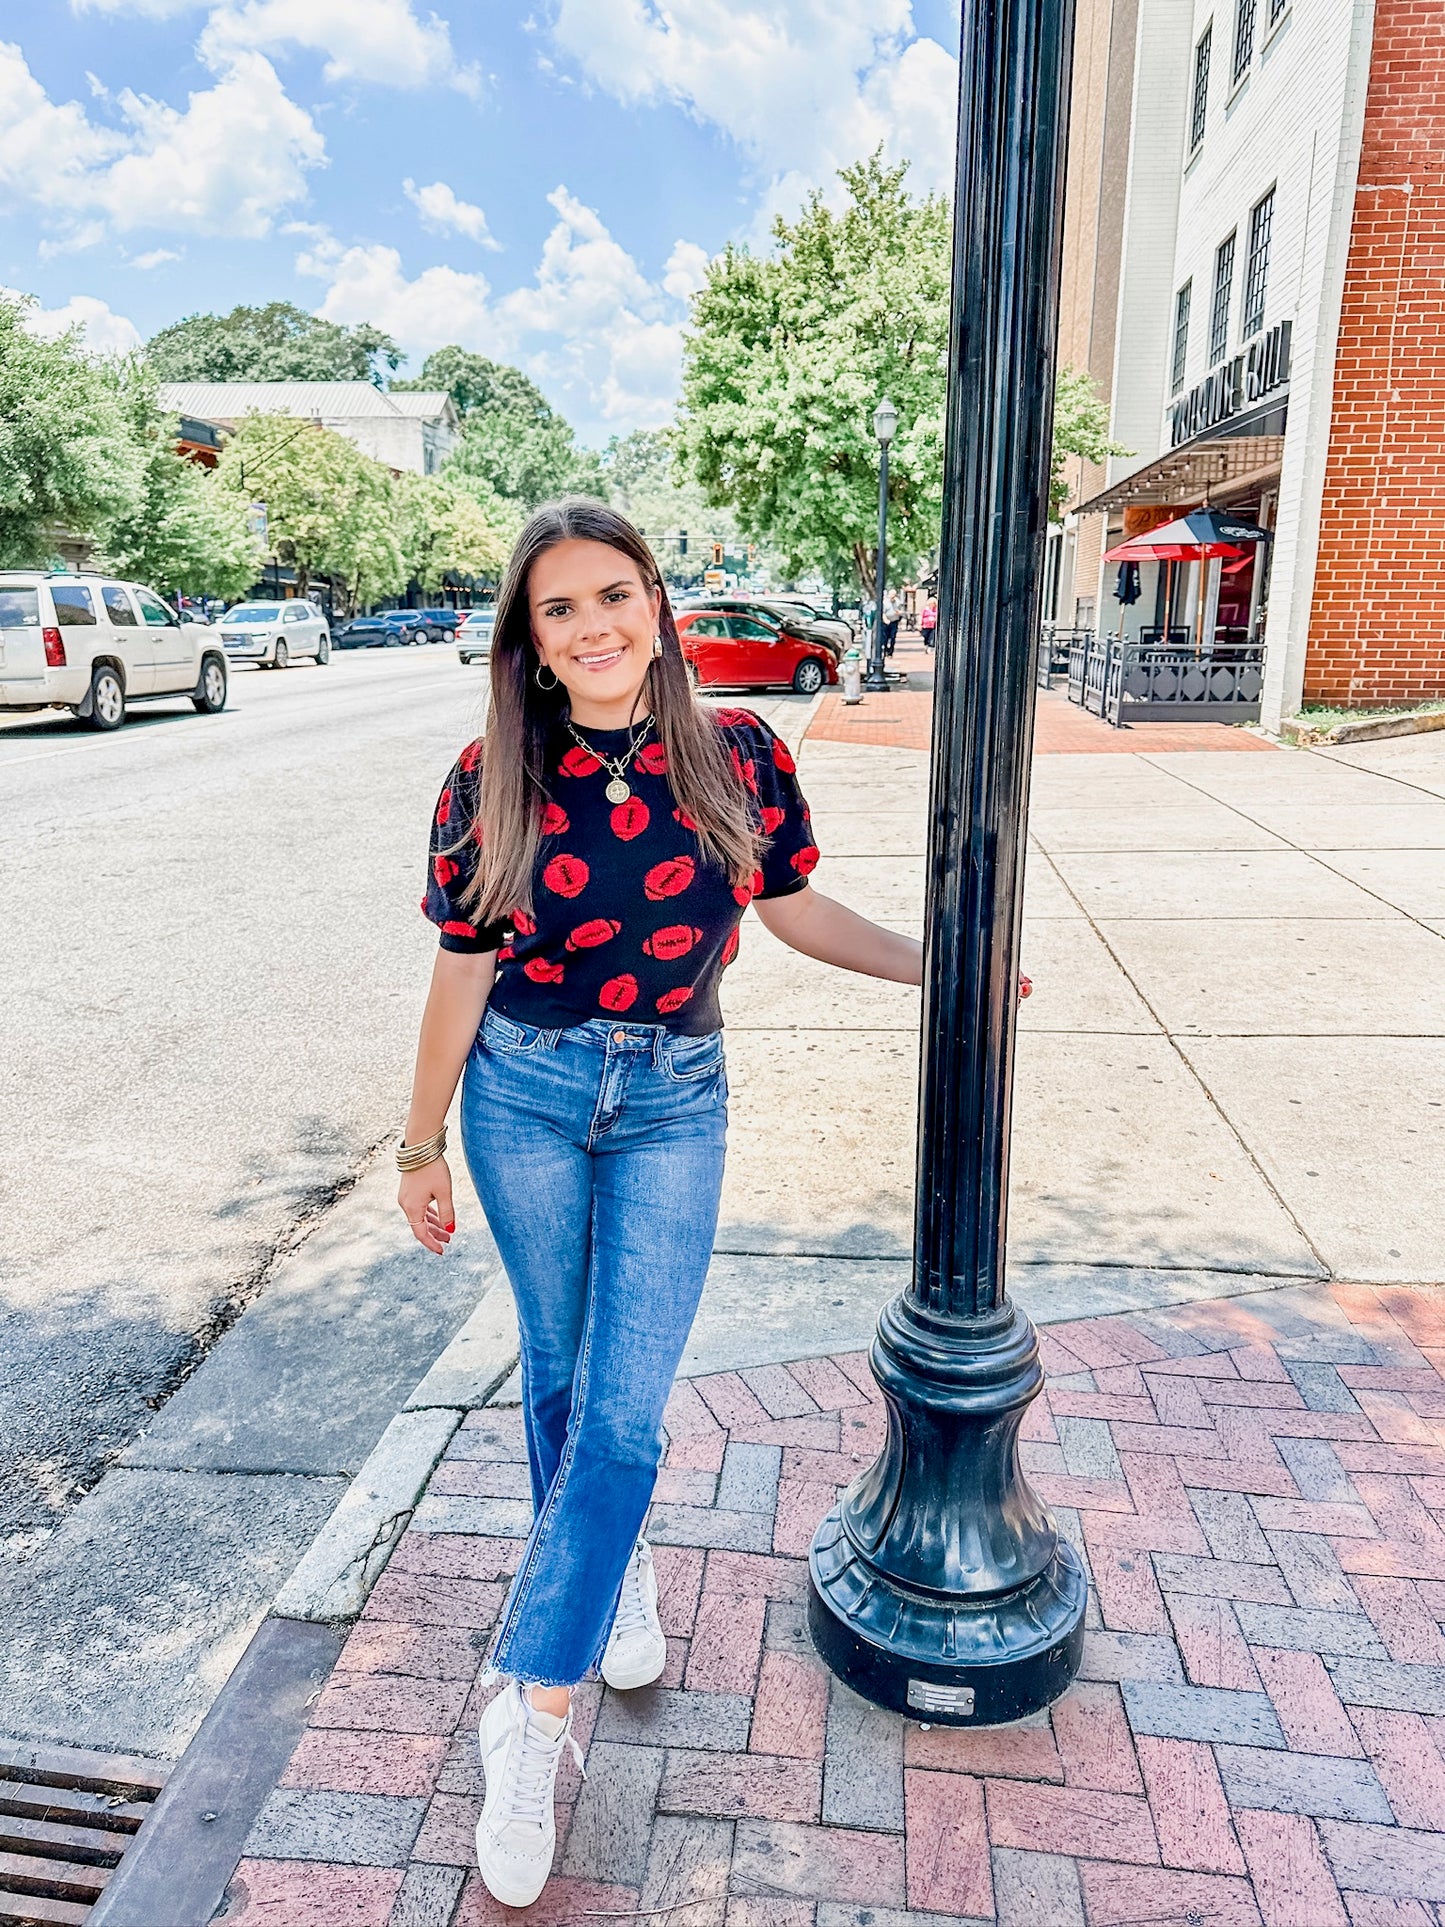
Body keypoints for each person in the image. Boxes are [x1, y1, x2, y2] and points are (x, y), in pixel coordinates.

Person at [397, 498, 925, 1908]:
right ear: (528, 636)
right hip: (526, 1093)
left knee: (624, 1405)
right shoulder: (486, 774)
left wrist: (940, 965)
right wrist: (417, 1143)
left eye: (612, 594)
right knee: (566, 1381)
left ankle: (534, 1706)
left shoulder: (737, 750)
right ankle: (606, 1581)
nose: (592, 626)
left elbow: (795, 907)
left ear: (656, 601)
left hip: (675, 1096)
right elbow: (460, 966)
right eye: (558, 607)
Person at [882, 589, 902, 658]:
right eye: (891, 594)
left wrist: (899, 613)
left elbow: (901, 611)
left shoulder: (898, 602)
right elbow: (883, 613)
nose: (893, 596)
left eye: (894, 594)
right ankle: (885, 651)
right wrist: (885, 620)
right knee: (885, 638)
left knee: (893, 637)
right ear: (889, 595)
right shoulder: (885, 602)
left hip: (894, 621)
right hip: (886, 622)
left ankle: (891, 652)